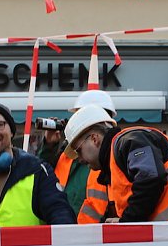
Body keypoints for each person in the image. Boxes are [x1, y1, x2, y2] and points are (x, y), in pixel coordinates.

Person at [63, 104, 168, 222]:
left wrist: (126, 225)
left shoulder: (129, 141)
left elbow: (151, 180)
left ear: (94, 139)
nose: (79, 158)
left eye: (78, 150)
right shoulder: (115, 162)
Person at [38, 89, 117, 223]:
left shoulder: (114, 156)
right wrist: (49, 146)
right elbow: (41, 177)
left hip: (91, 233)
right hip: (61, 229)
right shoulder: (67, 155)